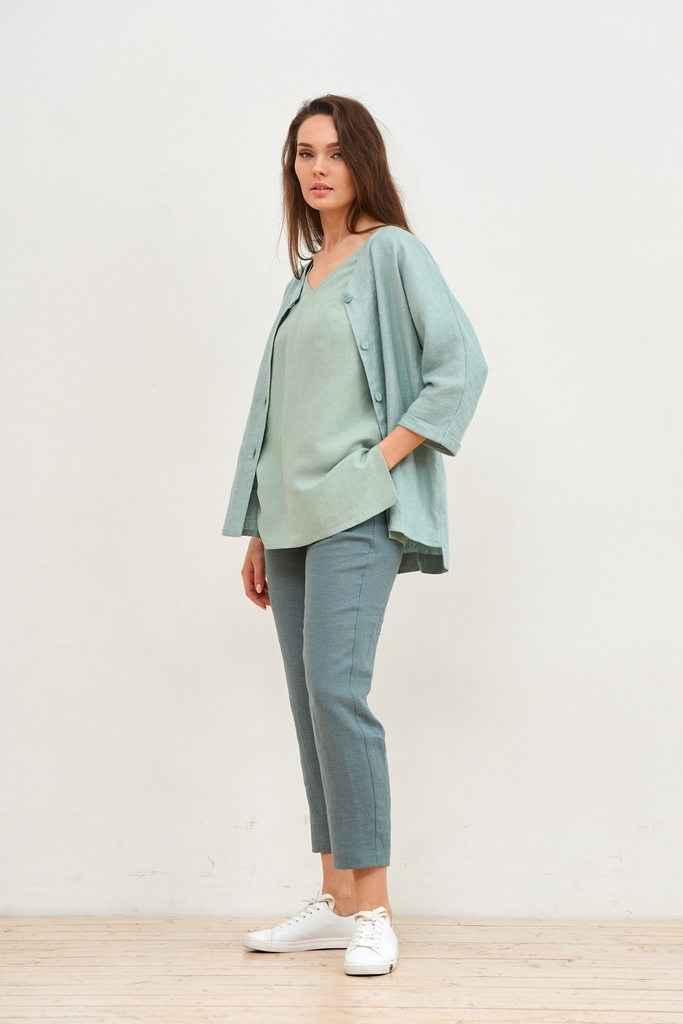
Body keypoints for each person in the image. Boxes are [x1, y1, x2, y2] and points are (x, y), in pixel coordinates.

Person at [222, 94, 487, 976]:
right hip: (289, 519)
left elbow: (459, 365)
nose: (318, 167)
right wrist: (258, 527)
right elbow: (283, 416)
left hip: (356, 510)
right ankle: (335, 901)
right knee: (309, 704)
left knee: (337, 692)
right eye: (304, 153)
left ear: (361, 161)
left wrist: (381, 463)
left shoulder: (392, 253)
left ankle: (374, 909)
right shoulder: (303, 278)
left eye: (334, 151)